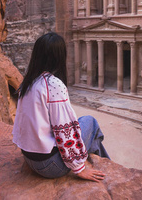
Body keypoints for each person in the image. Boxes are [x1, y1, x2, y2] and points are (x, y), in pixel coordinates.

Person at [12, 32, 110, 182]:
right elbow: (64, 128)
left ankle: (95, 160)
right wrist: (79, 169)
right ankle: (103, 165)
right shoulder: (52, 84)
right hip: (50, 166)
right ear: (59, 56)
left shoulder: (28, 82)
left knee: (82, 121)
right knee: (91, 122)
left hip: (30, 159)